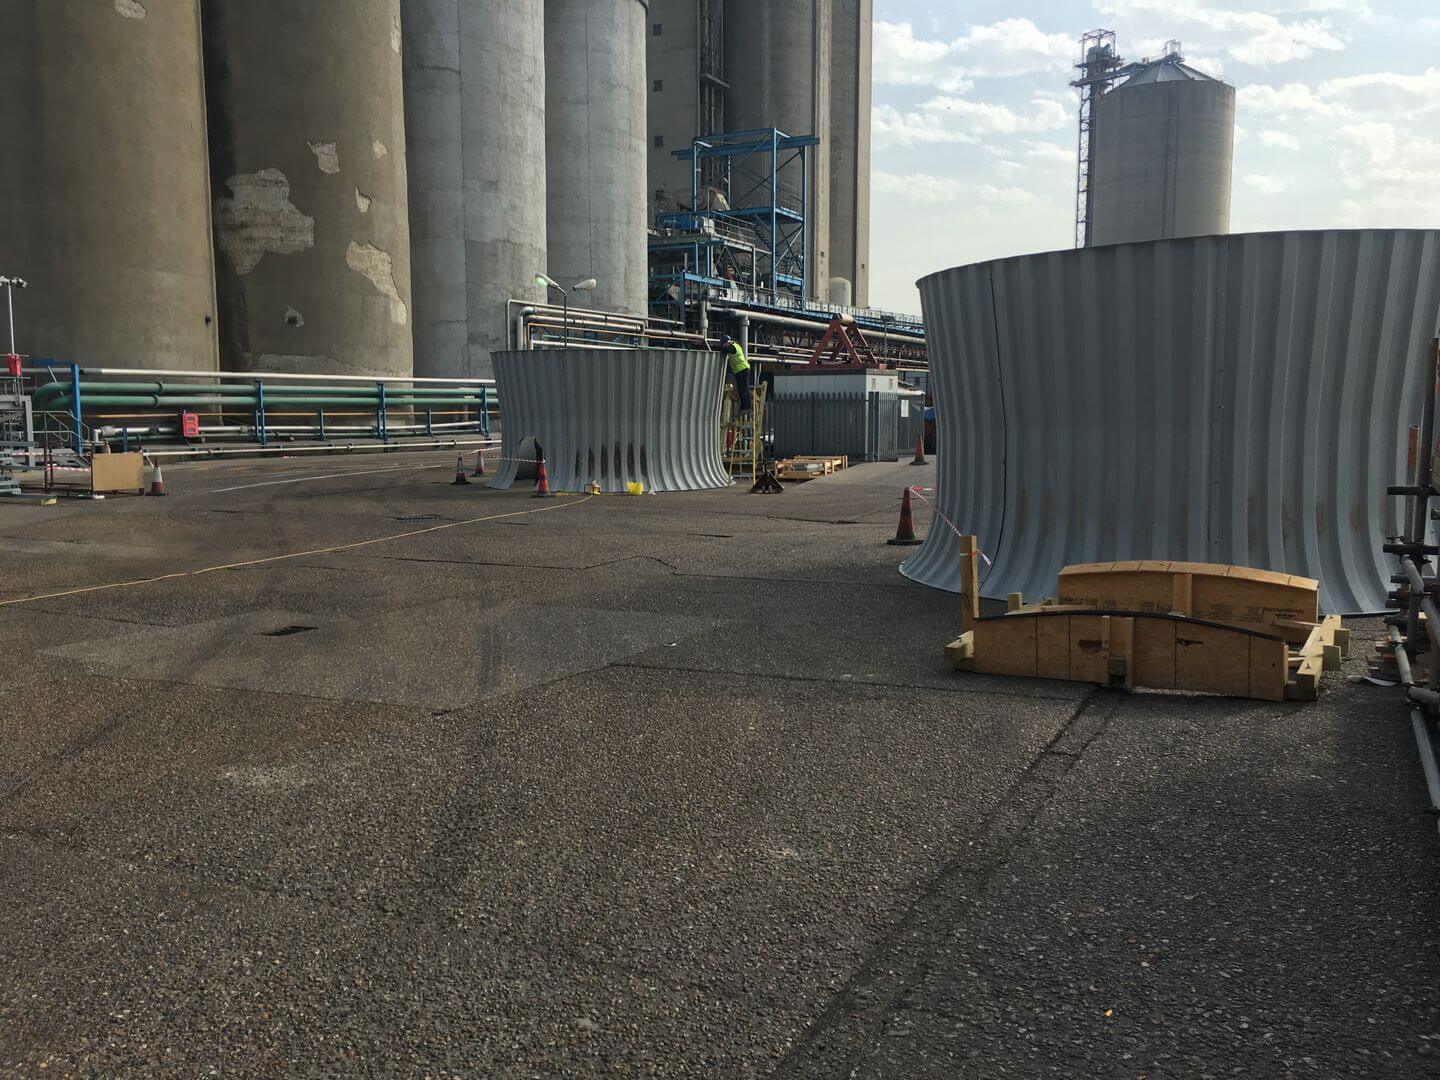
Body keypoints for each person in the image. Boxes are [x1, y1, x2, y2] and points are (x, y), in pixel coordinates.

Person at [719, 334, 752, 414]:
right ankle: (748, 407)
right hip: (742, 370)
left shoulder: (733, 347)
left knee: (742, 390)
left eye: (724, 344)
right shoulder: (736, 346)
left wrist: (720, 348)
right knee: (745, 389)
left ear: (727, 342)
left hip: (742, 370)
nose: (723, 346)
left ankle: (744, 408)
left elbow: (725, 350)